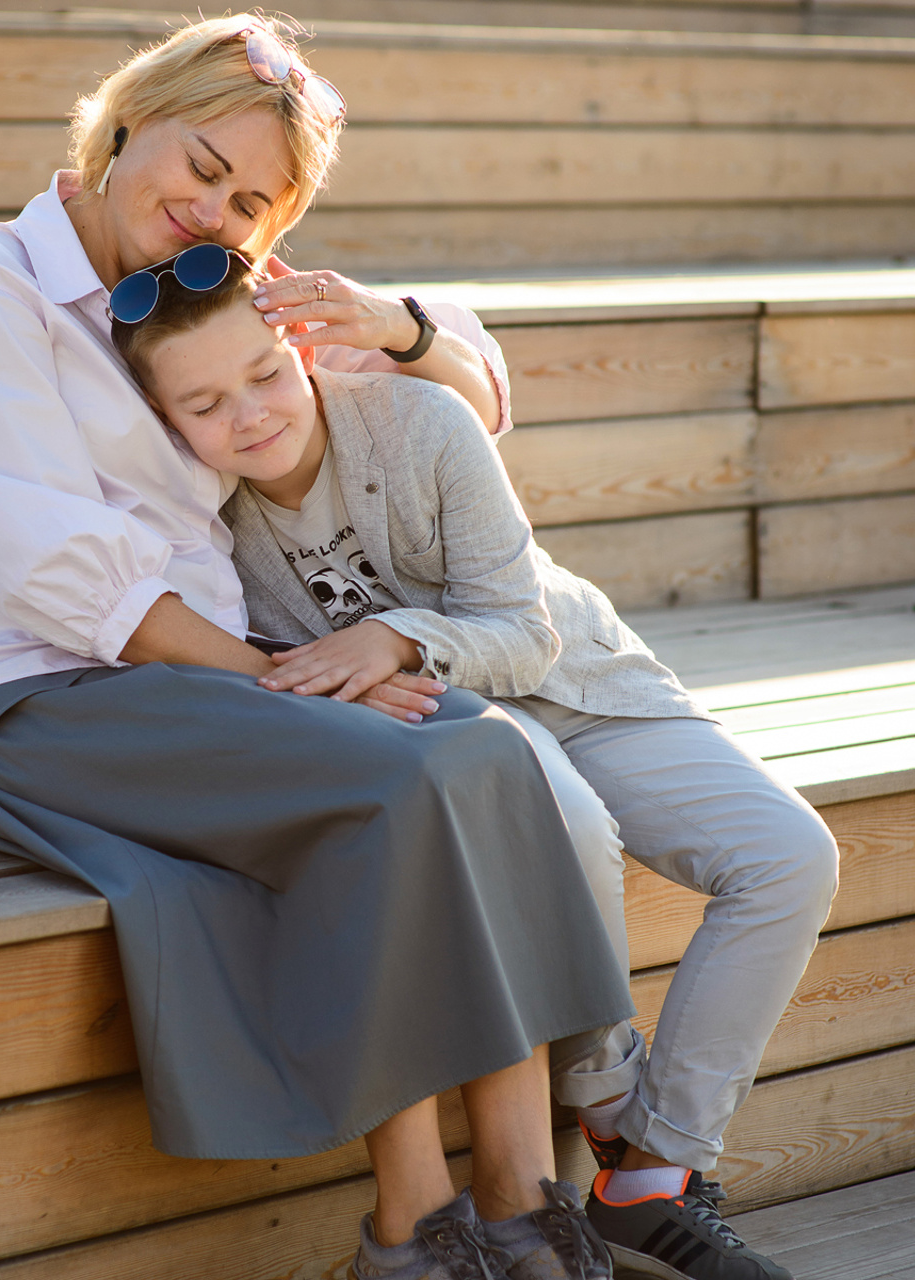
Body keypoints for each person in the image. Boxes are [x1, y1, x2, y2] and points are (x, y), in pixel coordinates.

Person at [0, 15, 633, 1280]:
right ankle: (410, 1230)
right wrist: (278, 680)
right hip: (31, 697)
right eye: (198, 167)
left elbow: (478, 378)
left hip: (197, 686)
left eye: (248, 202)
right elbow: (60, 574)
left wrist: (404, 332)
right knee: (397, 768)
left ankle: (522, 1203)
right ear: (123, 125)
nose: (210, 209)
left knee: (484, 749)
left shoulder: (202, 301)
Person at [109, 247, 840, 1280]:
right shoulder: (201, 530)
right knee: (565, 818)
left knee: (787, 855)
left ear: (300, 349)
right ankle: (601, 1093)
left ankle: (652, 1167)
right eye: (203, 403)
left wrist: (393, 636)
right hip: (459, 736)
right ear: (166, 422)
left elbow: (521, 629)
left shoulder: (420, 421)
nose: (250, 414)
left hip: (583, 682)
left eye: (265, 373)